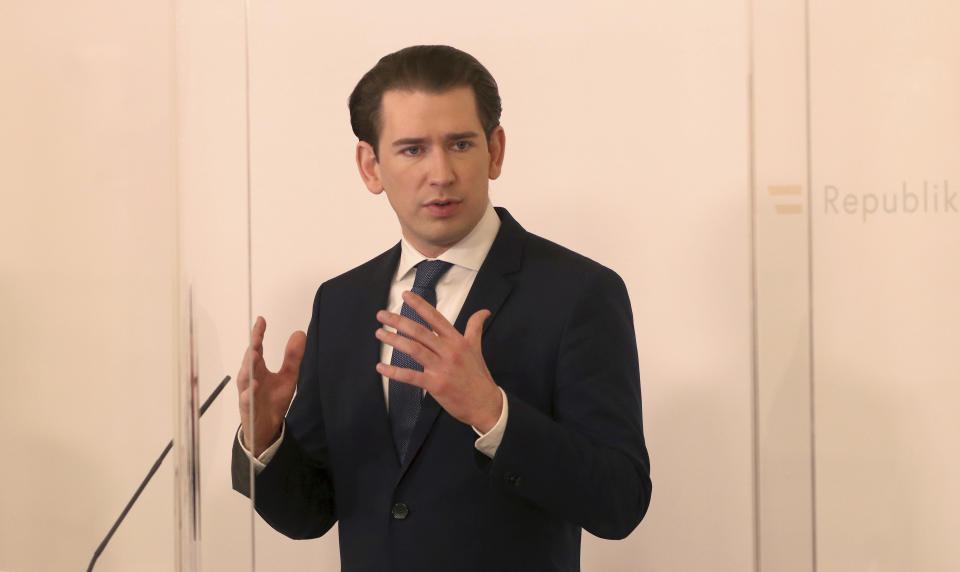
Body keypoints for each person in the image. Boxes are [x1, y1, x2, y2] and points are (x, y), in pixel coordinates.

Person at [232, 45, 651, 571]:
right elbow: (310, 514)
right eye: (412, 149)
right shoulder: (341, 303)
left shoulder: (578, 293)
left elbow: (620, 502)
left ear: (495, 150)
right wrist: (267, 439)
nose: (442, 173)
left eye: (460, 144)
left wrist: (493, 413)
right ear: (371, 165)